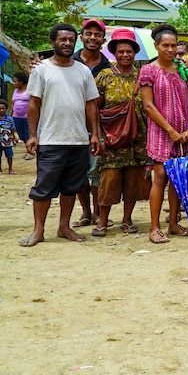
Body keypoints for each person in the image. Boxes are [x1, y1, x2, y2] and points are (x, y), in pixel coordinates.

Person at [20, 23, 103, 247]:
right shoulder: (42, 69)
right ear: (53, 42)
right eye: (62, 39)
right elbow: (33, 105)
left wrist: (94, 134)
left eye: (70, 39)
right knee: (44, 188)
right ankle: (38, 230)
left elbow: (91, 105)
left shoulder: (83, 70)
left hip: (78, 140)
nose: (67, 43)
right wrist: (32, 135)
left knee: (71, 188)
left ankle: (64, 227)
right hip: (50, 140)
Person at [139, 24, 188, 244]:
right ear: (156, 46)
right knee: (160, 177)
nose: (170, 50)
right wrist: (170, 130)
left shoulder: (182, 69)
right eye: (165, 45)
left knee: (177, 179)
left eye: (173, 45)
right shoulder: (149, 70)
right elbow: (148, 106)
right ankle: (154, 227)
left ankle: (173, 223)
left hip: (183, 133)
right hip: (161, 133)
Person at [93, 28, 151, 237]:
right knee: (109, 180)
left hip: (139, 138)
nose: (125, 55)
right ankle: (103, 220)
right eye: (121, 51)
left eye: (129, 51)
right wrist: (96, 134)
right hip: (113, 139)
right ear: (114, 53)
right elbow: (94, 108)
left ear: (135, 52)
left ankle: (127, 219)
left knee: (133, 181)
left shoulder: (143, 75)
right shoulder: (105, 76)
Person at [71, 19, 111, 230]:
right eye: (89, 33)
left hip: (99, 127)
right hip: (71, 125)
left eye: (97, 35)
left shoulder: (108, 68)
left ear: (103, 40)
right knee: (78, 171)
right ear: (82, 37)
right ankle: (85, 212)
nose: (93, 38)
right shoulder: (69, 61)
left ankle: (97, 213)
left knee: (97, 171)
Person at [11, 72, 35, 160]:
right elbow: (13, 103)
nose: (14, 83)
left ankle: (31, 152)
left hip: (27, 117)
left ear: (22, 81)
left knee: (28, 134)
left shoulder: (29, 90)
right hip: (16, 117)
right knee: (22, 136)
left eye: (16, 81)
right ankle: (28, 150)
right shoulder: (15, 91)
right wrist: (11, 115)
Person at [0, 99, 17, 174]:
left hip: (8, 140)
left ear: (6, 109)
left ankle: (10, 168)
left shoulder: (10, 119)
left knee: (9, 155)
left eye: (3, 108)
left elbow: (12, 129)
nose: (1, 110)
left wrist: (14, 138)